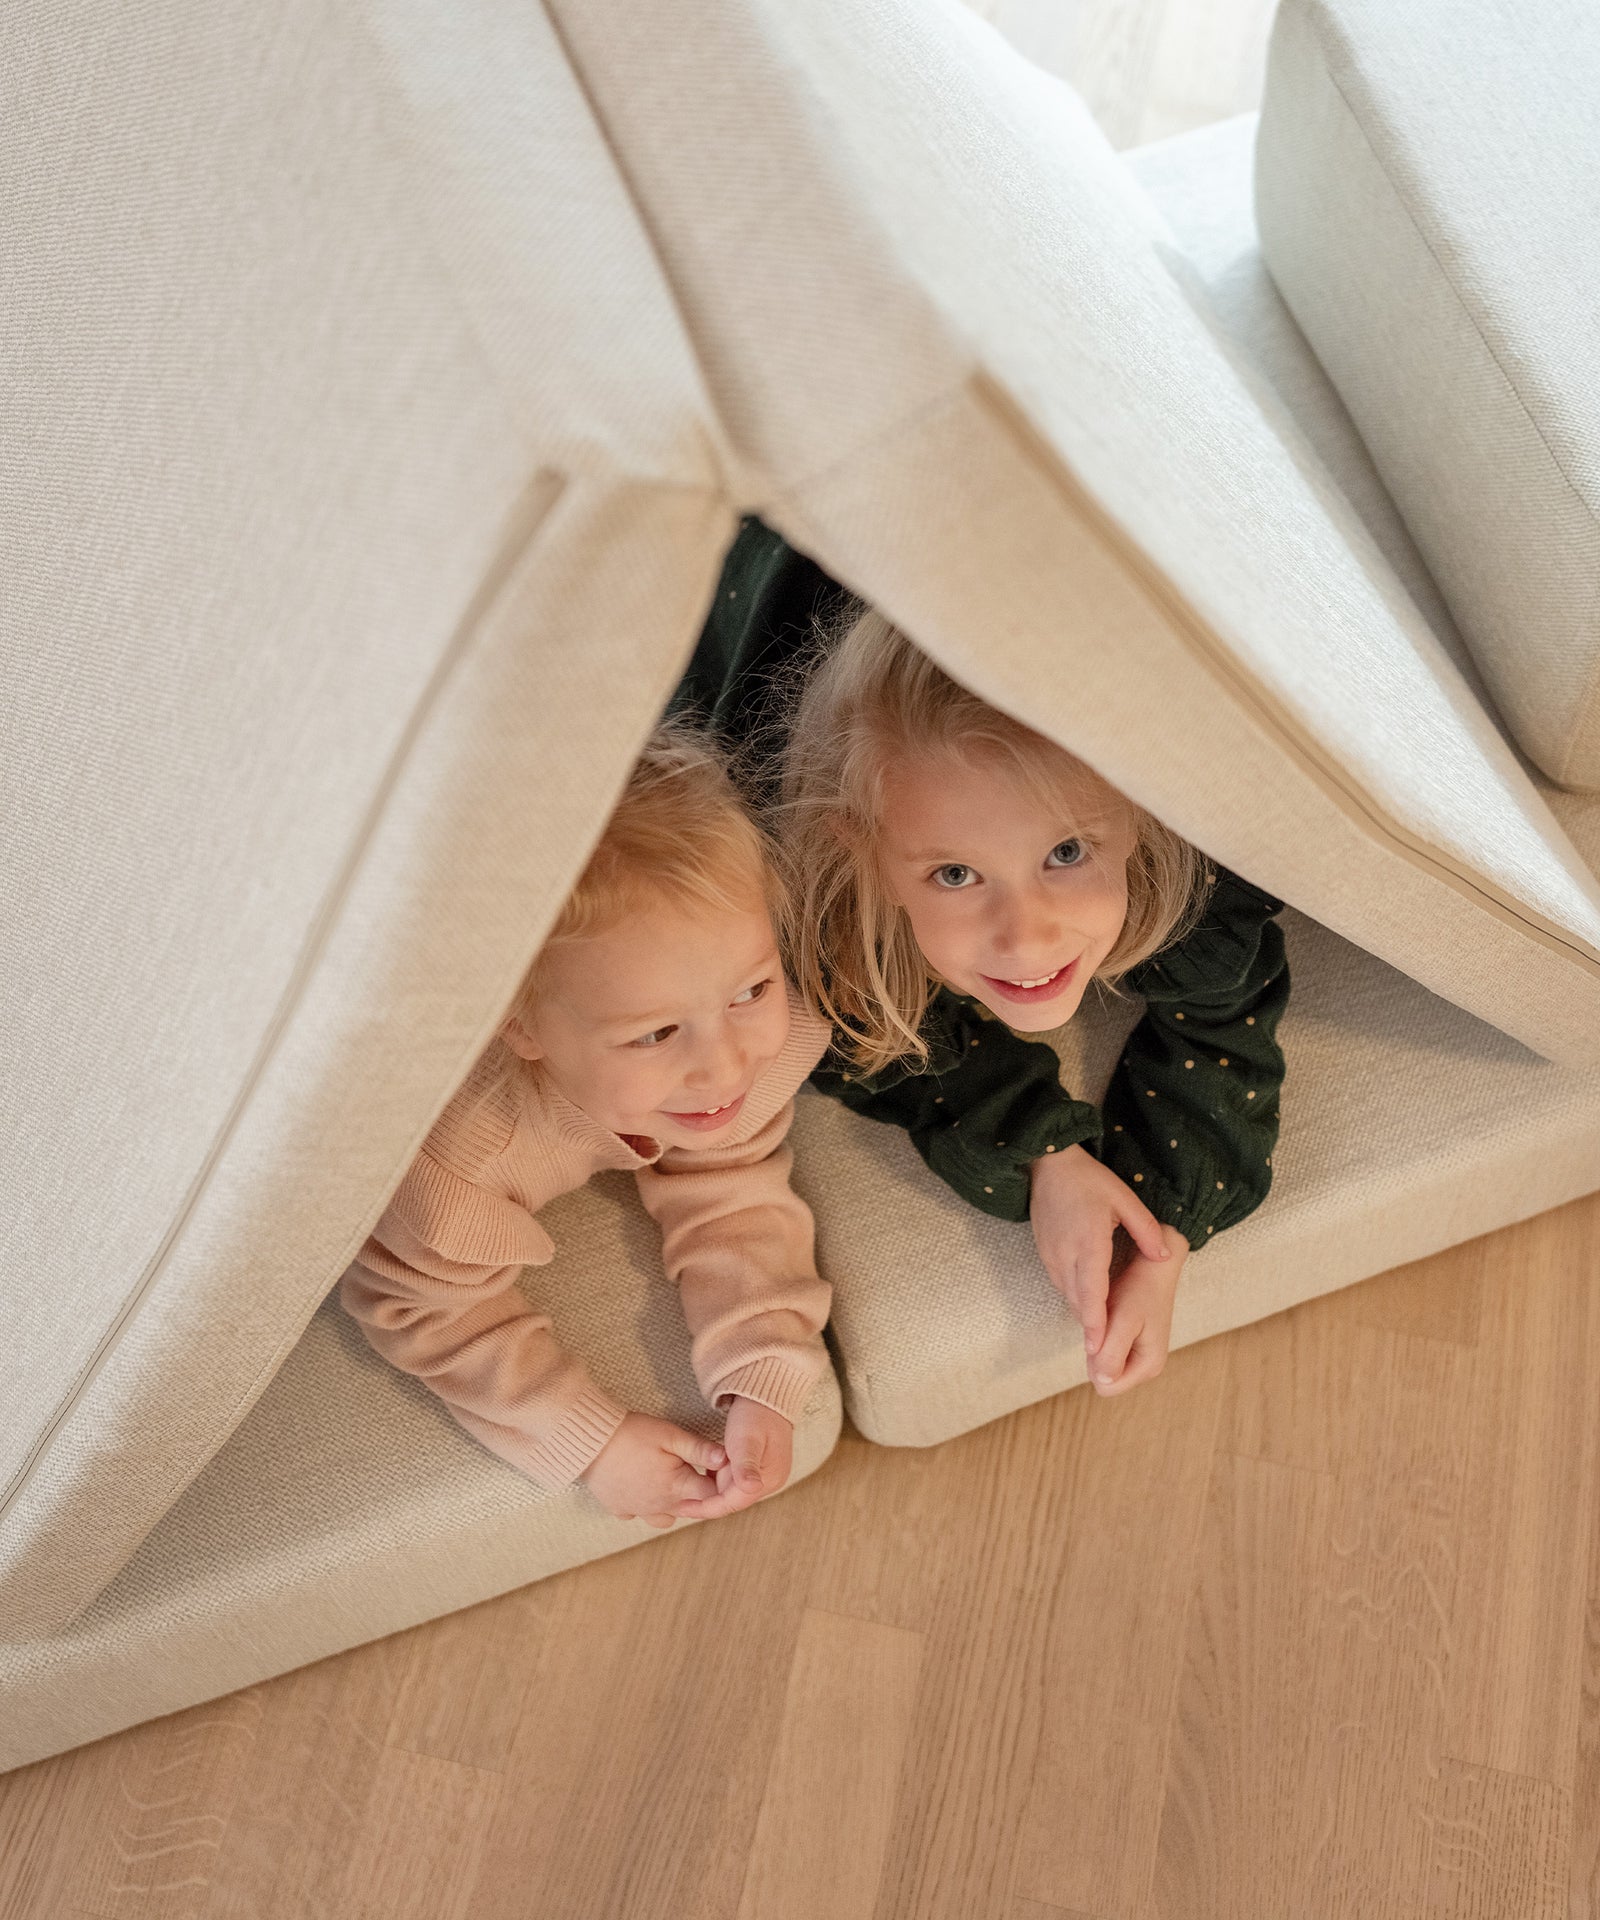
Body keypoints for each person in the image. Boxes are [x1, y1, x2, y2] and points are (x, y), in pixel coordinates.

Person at [681, 518, 1289, 1398]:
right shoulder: (819, 887)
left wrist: (1162, 1229)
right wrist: (1046, 1154)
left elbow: (1229, 1017)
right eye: (957, 874)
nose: (1026, 937)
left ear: (1140, 817)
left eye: (1068, 854)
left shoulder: (1180, 859)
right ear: (868, 856)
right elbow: (871, 1036)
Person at [342, 723, 832, 1529]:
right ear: (519, 1028)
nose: (725, 1068)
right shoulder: (459, 1157)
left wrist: (763, 1371)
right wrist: (592, 1441)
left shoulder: (752, 1058)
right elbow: (420, 1305)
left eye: (751, 989)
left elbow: (732, 1184)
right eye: (654, 1034)